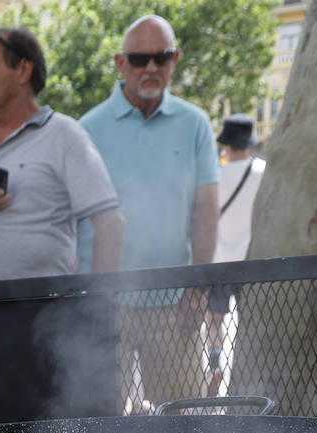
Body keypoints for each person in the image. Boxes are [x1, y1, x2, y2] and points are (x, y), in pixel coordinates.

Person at [77, 14, 220, 409]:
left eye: (162, 57)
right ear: (120, 64)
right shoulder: (86, 129)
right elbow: (72, 221)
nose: (151, 67)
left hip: (176, 307)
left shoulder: (195, 124)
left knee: (183, 427)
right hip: (105, 307)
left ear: (175, 59)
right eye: (140, 59)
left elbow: (206, 211)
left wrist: (197, 288)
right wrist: (84, 303)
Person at [0, 28, 123, 283]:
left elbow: (110, 226)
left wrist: (99, 306)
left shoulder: (64, 134)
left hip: (41, 316)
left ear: (24, 70)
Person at [205, 113, 265, 395]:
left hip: (219, 261)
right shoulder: (264, 173)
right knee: (249, 321)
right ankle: (249, 377)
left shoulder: (215, 174)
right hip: (251, 261)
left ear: (226, 143)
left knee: (214, 319)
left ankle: (216, 365)